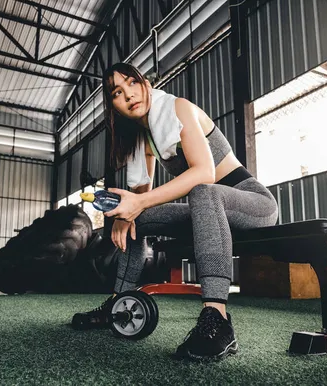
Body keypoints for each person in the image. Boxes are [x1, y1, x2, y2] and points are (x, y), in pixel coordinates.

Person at [72, 62, 278, 361]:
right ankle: (120, 303)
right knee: (136, 220)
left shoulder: (178, 108)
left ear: (144, 82)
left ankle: (217, 320)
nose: (128, 94)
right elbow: (140, 195)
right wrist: (127, 213)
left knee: (202, 190)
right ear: (113, 105)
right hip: (205, 209)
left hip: (252, 203)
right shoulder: (145, 138)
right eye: (117, 92)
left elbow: (205, 172)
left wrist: (138, 203)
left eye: (131, 82)